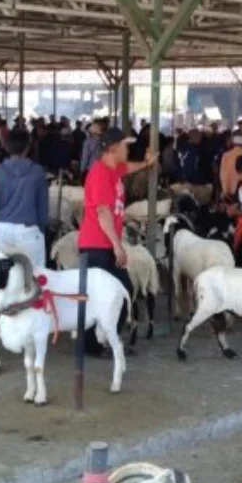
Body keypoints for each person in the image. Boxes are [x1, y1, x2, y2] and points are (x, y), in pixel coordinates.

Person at [77, 128, 156, 357]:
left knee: (121, 291)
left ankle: (105, 341)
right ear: (113, 148)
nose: (127, 149)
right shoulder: (100, 173)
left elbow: (128, 168)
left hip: (104, 245)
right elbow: (103, 212)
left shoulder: (113, 169)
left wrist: (146, 163)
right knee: (104, 295)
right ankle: (95, 345)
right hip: (97, 246)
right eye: (124, 145)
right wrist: (117, 244)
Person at [0, 129, 49, 268]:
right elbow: (43, 206)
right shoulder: (37, 171)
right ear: (28, 147)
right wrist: (42, 229)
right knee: (35, 275)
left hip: (3, 229)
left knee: (4, 277)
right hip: (30, 230)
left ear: (6, 147)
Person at [218, 135, 242, 199]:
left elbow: (223, 174)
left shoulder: (226, 155)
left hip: (229, 189)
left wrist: (225, 189)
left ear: (233, 144)